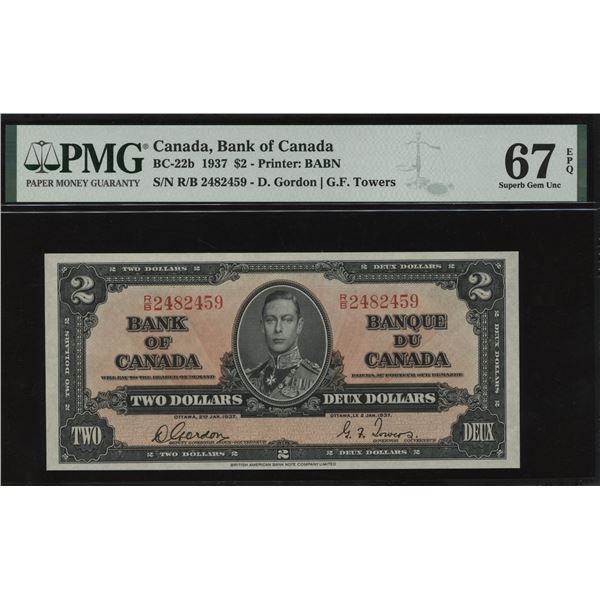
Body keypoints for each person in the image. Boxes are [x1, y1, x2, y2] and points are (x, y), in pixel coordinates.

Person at [245, 289, 321, 400]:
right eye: (270, 320)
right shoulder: (248, 378)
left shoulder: (317, 378)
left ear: (299, 325)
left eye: (287, 320)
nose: (278, 329)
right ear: (262, 326)